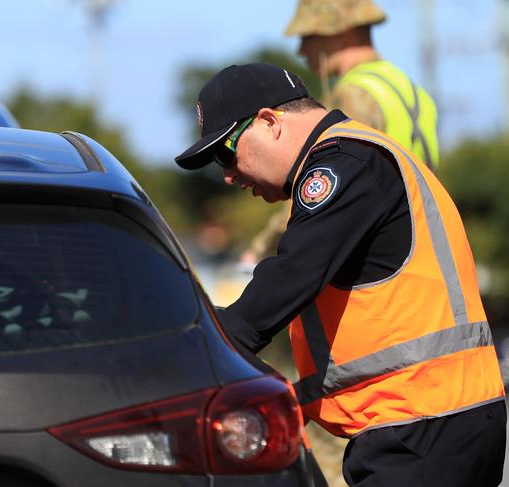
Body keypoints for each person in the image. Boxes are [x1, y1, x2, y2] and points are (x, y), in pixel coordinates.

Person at [174, 62, 506, 486]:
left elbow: (291, 276)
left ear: (269, 122)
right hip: (436, 417)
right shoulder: (364, 156)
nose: (227, 175)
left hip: (419, 423)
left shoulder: (344, 163)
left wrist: (198, 346)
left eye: (226, 152)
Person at [242, 0, 441, 267]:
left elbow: (321, 184)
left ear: (338, 31)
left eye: (307, 36)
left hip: (380, 256)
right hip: (419, 240)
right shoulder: (407, 88)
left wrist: (260, 249)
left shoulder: (353, 93)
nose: (301, 50)